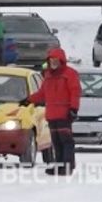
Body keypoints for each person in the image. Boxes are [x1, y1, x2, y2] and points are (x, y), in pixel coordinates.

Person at [22, 48, 81, 176]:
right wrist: (28, 100)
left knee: (66, 142)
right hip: (52, 114)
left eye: (56, 61)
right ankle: (59, 166)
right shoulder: (48, 75)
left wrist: (73, 109)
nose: (53, 63)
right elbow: (42, 94)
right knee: (56, 142)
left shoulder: (70, 74)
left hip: (64, 114)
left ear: (61, 61)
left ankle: (67, 166)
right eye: (51, 60)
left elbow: (75, 92)